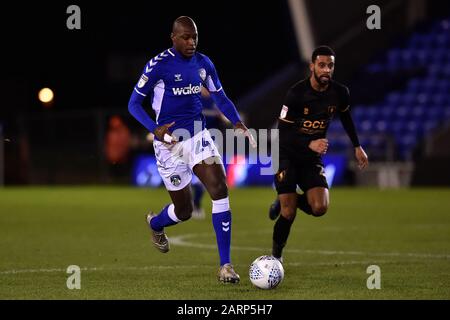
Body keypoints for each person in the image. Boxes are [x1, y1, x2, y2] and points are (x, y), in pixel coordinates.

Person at [128, 16, 256, 283]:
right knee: (184, 211)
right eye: (185, 37)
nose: (191, 42)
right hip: (169, 145)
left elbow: (219, 96)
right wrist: (155, 129)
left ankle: (226, 266)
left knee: (219, 188)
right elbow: (133, 104)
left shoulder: (203, 63)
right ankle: (156, 224)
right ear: (173, 38)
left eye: (194, 37)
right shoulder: (158, 65)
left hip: (197, 136)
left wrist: (237, 122)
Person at [268, 45, 369, 262]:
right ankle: (276, 258)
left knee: (320, 207)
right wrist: (310, 144)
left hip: (310, 158)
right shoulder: (296, 93)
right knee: (289, 213)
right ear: (312, 66)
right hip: (286, 154)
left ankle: (287, 198)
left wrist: (357, 146)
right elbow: (282, 133)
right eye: (322, 65)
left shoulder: (340, 93)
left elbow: (346, 117)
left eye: (330, 66)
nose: (326, 70)